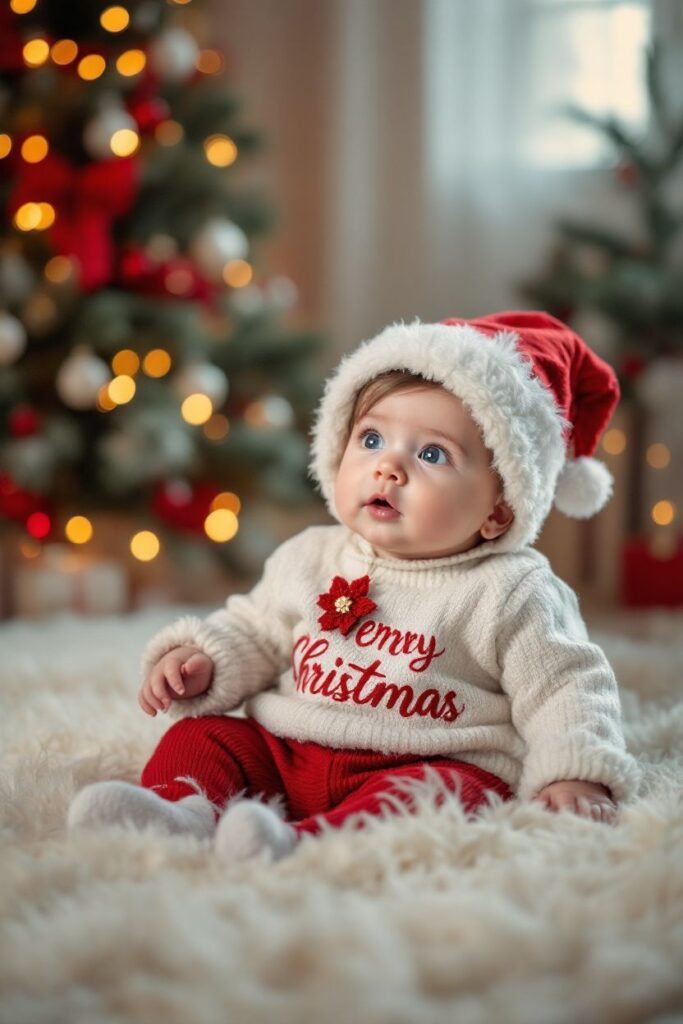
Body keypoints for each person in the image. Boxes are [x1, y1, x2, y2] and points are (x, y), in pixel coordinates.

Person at [68, 311, 641, 861]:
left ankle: (306, 844)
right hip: (288, 752)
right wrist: (204, 662)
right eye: (371, 440)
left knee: (448, 794)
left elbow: (566, 687)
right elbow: (257, 631)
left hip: (422, 759)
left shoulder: (513, 590)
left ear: (499, 509)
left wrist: (575, 771)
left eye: (432, 454)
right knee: (206, 736)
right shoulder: (310, 555)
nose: (388, 468)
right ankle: (185, 812)